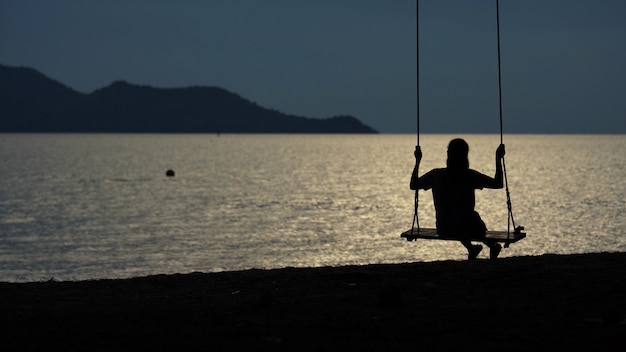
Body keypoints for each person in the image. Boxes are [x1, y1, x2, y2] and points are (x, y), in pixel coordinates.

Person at [410, 138, 506, 260]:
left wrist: (417, 161)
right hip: (469, 226)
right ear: (465, 156)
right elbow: (497, 184)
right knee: (470, 217)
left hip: (444, 228)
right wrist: (498, 158)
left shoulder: (436, 175)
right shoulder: (469, 176)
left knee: (458, 217)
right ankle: (491, 245)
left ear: (448, 155)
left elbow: (414, 185)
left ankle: (472, 248)